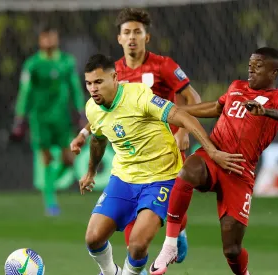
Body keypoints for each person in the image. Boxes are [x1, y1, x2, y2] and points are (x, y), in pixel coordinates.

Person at [81, 54, 245, 275]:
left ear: (114, 77)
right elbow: (98, 139)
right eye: (89, 83)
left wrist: (212, 151)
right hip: (124, 178)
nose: (93, 89)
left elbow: (184, 117)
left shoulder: (139, 97)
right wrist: (91, 172)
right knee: (93, 238)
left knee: (137, 246)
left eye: (99, 82)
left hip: (161, 178)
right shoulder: (92, 108)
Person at [150, 47, 278, 275]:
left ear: (274, 72)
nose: (251, 70)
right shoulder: (236, 87)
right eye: (250, 65)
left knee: (231, 249)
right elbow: (215, 107)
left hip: (240, 170)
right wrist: (177, 109)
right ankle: (170, 245)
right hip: (214, 154)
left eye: (258, 66)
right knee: (188, 170)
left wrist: (266, 112)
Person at [70, 7, 200, 265]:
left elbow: (192, 98)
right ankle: (134, 262)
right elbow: (102, 112)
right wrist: (84, 133)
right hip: (131, 159)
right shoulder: (110, 71)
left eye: (137, 32)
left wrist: (184, 131)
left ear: (146, 37)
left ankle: (177, 231)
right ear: (119, 38)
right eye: (126, 32)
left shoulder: (164, 66)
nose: (132, 37)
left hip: (167, 146)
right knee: (134, 239)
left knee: (174, 207)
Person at [10, 25, 85, 216]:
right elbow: (25, 92)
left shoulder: (67, 62)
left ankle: (49, 188)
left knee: (69, 160)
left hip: (61, 118)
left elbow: (75, 88)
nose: (50, 40)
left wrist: (80, 111)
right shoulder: (32, 64)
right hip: (40, 118)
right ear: (40, 40)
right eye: (46, 37)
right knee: (47, 159)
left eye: (53, 36)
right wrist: (20, 117)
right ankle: (50, 201)